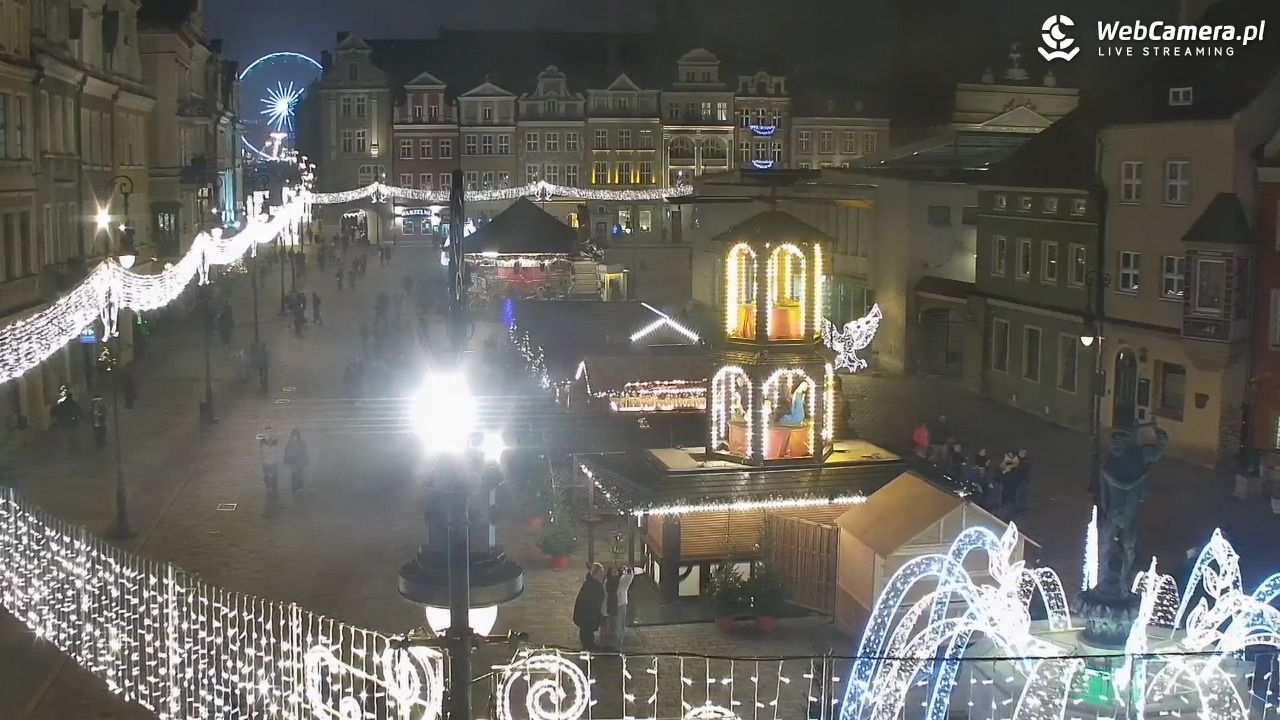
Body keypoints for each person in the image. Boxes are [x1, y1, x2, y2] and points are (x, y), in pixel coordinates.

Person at [572, 564, 606, 650]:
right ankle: (589, 646)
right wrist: (598, 617)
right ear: (596, 574)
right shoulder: (595, 587)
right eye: (601, 573)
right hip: (587, 616)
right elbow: (594, 604)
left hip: (582, 614)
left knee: (585, 631)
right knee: (587, 631)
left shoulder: (589, 582)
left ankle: (587, 644)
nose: (603, 575)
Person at [611, 566, 635, 650]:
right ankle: (615, 641)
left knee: (619, 624)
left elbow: (629, 576)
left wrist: (628, 569)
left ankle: (619, 643)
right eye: (612, 572)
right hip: (613, 606)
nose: (614, 574)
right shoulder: (609, 582)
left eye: (615, 572)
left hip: (621, 604)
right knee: (615, 624)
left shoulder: (621, 581)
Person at [52, 386, 82, 452]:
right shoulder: (74, 404)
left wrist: (57, 418)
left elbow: (54, 410)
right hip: (73, 421)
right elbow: (79, 411)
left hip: (64, 421)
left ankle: (69, 447)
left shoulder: (62, 404)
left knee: (68, 434)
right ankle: (73, 447)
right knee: (73, 434)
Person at [259, 424, 282, 501]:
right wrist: (262, 460)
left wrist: (277, 459)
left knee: (275, 477)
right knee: (266, 477)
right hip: (265, 463)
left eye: (270, 431)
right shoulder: (262, 441)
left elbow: (278, 451)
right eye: (267, 431)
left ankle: (275, 490)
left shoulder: (276, 440)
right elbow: (261, 452)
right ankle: (269, 488)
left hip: (274, 462)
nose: (269, 433)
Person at [284, 428, 309, 492]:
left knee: (300, 474)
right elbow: (286, 452)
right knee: (294, 474)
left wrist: (306, 460)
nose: (294, 437)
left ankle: (300, 487)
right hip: (293, 462)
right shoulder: (289, 443)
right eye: (293, 435)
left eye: (296, 435)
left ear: (298, 435)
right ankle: (294, 487)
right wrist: (286, 460)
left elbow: (305, 452)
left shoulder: (302, 443)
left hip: (300, 461)